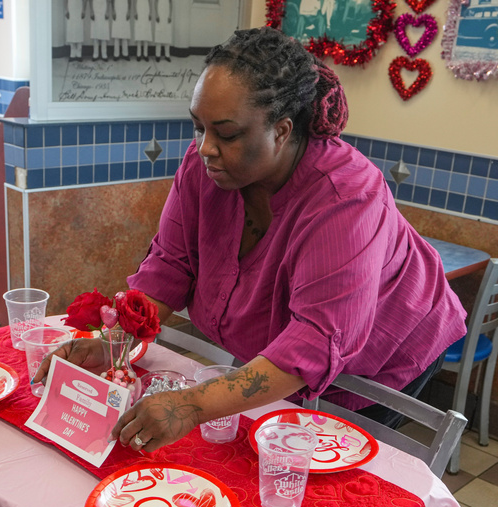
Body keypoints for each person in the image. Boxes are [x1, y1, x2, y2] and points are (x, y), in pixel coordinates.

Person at [43, 27, 466, 453]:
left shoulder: (346, 197)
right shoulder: (204, 168)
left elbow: (316, 340)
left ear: (282, 131)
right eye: (198, 128)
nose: (205, 148)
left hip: (384, 354)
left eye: (226, 134)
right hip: (295, 361)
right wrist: (115, 344)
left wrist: (190, 406)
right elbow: (171, 266)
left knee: (326, 475)